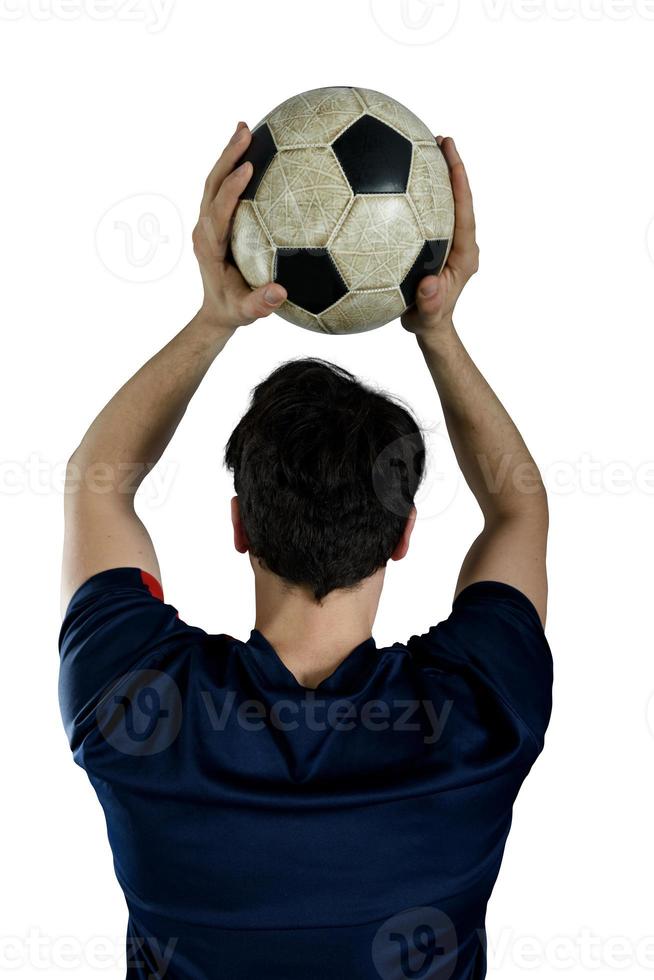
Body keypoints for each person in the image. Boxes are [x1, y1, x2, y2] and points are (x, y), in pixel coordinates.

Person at [59, 123, 552, 980]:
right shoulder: (480, 718)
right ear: (403, 537)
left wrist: (217, 317)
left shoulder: (134, 713)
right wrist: (436, 328)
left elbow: (96, 484)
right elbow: (519, 509)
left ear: (239, 525)